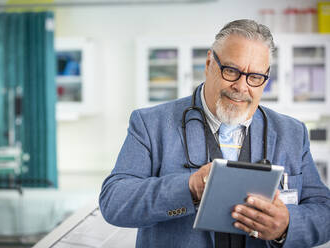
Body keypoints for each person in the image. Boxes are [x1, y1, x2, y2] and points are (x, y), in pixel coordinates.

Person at [99, 19, 330, 248]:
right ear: (209, 63)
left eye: (255, 77)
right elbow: (114, 202)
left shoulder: (291, 133)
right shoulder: (151, 124)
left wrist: (287, 224)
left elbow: (324, 212)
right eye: (231, 71)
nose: (241, 87)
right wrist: (189, 188)